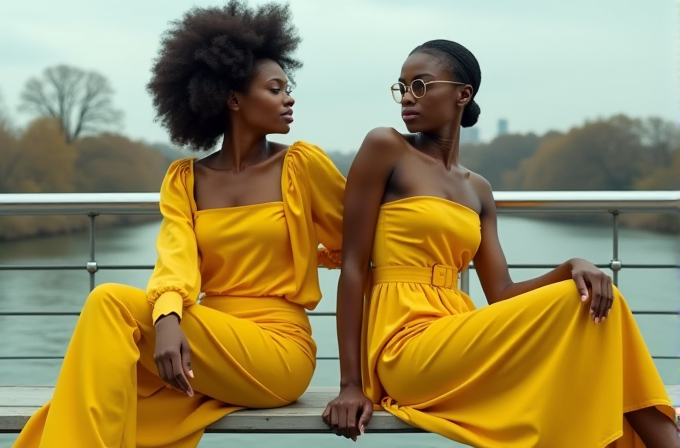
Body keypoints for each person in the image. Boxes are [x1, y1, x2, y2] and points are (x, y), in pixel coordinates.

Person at [13, 2, 345, 447]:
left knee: (109, 301)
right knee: (110, 398)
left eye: (288, 87)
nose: (289, 98)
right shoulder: (185, 179)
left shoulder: (302, 165)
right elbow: (177, 256)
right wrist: (168, 316)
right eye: (274, 88)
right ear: (232, 99)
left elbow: (361, 238)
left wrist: (310, 255)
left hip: (279, 348)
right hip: (203, 334)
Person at [322, 39, 678, 448]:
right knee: (590, 315)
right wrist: (350, 384)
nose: (407, 97)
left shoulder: (479, 189)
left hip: (457, 333)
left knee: (594, 301)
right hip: (404, 347)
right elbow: (352, 267)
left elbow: (503, 294)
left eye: (420, 85)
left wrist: (570, 266)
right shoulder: (385, 147)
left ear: (462, 94)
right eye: (401, 87)